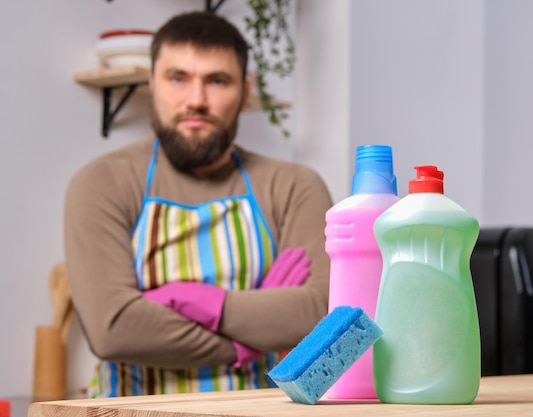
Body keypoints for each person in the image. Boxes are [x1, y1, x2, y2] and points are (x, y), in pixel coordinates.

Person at [64, 10, 333, 397]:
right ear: (152, 86)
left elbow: (317, 317)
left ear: (244, 92)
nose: (196, 100)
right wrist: (246, 344)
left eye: (217, 81)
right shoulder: (101, 183)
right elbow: (114, 330)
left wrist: (204, 302)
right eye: (178, 78)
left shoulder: (294, 187)